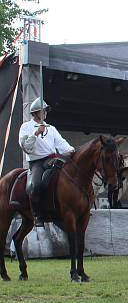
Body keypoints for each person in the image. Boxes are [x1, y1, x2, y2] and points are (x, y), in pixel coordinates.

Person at [18, 97, 75, 227]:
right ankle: (37, 215)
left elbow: (62, 144)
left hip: (52, 159)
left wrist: (72, 151)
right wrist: (37, 132)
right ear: (36, 112)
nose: (46, 113)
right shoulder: (26, 127)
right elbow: (26, 147)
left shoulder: (51, 128)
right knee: (36, 185)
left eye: (46, 111)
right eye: (43, 110)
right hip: (37, 162)